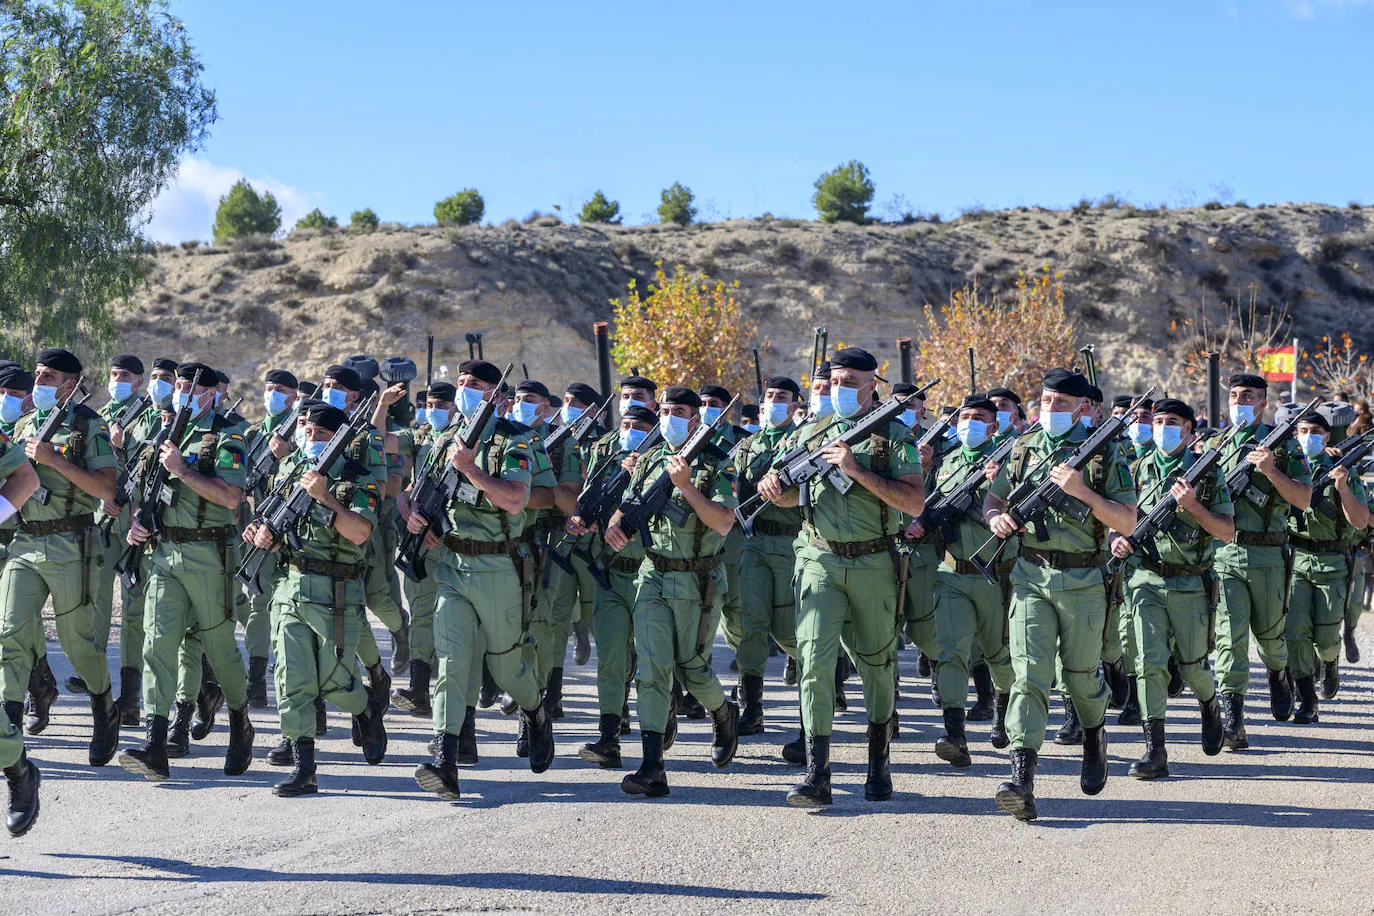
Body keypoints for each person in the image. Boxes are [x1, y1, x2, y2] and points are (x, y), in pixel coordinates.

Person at [757, 349, 925, 807]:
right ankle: (818, 773)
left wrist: (857, 469)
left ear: (875, 385)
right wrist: (775, 490)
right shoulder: (812, 433)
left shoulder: (895, 436)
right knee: (813, 661)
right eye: (834, 381)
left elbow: (913, 503)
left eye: (851, 381)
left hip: (874, 562)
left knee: (876, 662)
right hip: (820, 560)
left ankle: (878, 761)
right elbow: (795, 498)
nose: (840, 389)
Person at [984, 368, 1137, 821]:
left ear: (1083, 409)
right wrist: (996, 518)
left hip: (1085, 580)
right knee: (1029, 674)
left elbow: (1127, 521)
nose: (1050, 409)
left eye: (1061, 403)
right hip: (1031, 573)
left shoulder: (1106, 454)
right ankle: (1022, 779)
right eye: (1046, 401)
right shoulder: (1022, 448)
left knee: (1080, 676)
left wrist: (1082, 491)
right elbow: (995, 498)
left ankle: (1094, 735)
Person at [407, 359, 553, 801]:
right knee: (451, 663)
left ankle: (535, 710)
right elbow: (422, 490)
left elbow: (515, 500)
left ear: (495, 395)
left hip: (497, 568)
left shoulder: (515, 440)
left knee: (506, 664)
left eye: (474, 385)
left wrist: (471, 469)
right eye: (461, 383)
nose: (464, 390)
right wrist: (419, 520)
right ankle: (445, 760)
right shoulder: (447, 438)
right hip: (452, 567)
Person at [117, 362, 254, 781]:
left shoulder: (227, 437)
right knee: (157, 645)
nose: (180, 392)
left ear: (212, 394)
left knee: (219, 648)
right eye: (177, 385)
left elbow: (232, 497)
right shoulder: (162, 434)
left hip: (210, 556)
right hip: (164, 553)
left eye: (190, 387)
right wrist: (138, 523)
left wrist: (183, 470)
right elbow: (146, 493)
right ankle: (156, 744)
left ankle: (239, 722)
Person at [243, 402, 388, 796]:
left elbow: (359, 533)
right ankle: (305, 767)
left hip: (337, 591)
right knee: (291, 678)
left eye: (321, 435)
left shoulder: (360, 478)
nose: (311, 439)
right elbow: (274, 524)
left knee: (335, 681)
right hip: (291, 584)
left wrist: (326, 498)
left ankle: (366, 709)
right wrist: (262, 536)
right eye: (308, 432)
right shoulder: (290, 472)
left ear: (340, 440)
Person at [603, 385, 740, 798]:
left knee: (692, 667)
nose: (668, 418)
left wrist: (686, 486)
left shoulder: (717, 463)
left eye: (678, 411)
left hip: (698, 581)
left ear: (696, 418)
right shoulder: (648, 460)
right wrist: (614, 524)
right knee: (651, 668)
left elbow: (723, 523)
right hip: (653, 575)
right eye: (663, 411)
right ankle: (652, 766)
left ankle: (723, 712)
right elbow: (628, 504)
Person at [0, 348, 120, 765]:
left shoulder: (89, 426)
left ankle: (105, 708)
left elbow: (108, 491)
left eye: (49, 377)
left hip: (72, 546)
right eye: (38, 375)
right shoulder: (22, 425)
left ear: (70, 385)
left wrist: (53, 460)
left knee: (76, 645)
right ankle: (10, 729)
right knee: (10, 637)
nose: (39, 383)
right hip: (25, 544)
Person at [1109, 399, 1231, 779]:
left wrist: (1194, 507)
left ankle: (1210, 704)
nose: (1162, 427)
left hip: (1190, 581)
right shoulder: (1136, 469)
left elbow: (1227, 531)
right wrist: (1116, 538)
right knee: (1148, 663)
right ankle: (1154, 749)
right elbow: (1115, 517)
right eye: (1158, 420)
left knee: (1193, 666)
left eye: (1172, 422)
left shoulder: (1208, 475)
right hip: (1144, 577)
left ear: (1191, 430)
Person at [911, 395, 1013, 767]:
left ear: (994, 426)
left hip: (996, 577)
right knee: (951, 651)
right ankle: (954, 732)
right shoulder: (949, 461)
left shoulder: (1009, 462)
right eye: (965, 416)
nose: (969, 422)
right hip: (951, 572)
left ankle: (1001, 706)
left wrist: (1002, 485)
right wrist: (922, 470)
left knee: (998, 653)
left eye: (979, 417)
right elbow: (924, 504)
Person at [1209, 374, 1311, 749]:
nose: (1239, 401)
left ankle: (1278, 673)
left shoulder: (1283, 445)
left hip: (1268, 555)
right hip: (1225, 554)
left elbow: (1303, 499)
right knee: (1229, 640)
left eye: (1247, 396)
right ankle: (1233, 721)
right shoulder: (1214, 444)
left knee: (1270, 637)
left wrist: (1270, 470)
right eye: (1234, 395)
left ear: (1262, 402)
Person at [571, 404, 658, 768]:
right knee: (611, 658)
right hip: (613, 574)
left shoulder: (666, 468)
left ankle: (661, 719)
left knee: (653, 661)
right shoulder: (610, 465)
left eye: (639, 426)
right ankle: (609, 738)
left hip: (652, 576)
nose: (630, 431)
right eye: (625, 425)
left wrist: (642, 479)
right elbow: (596, 509)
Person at [729, 377, 804, 742]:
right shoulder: (746, 446)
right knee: (752, 623)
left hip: (791, 543)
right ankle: (752, 708)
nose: (774, 402)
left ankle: (814, 702)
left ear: (794, 406)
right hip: (755, 543)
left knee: (791, 629)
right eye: (769, 397)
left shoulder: (803, 443)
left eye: (782, 398)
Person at [1284, 404, 1368, 721]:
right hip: (1296, 561)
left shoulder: (1341, 468)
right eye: (1302, 432)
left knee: (1326, 637)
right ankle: (1308, 699)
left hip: (1332, 561)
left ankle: (1330, 661)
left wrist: (1343, 487)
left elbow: (1359, 521)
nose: (1308, 438)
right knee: (1294, 633)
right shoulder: (1288, 467)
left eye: (1316, 432)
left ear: (1326, 436)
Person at [239, 368, 299, 709]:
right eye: (269, 388)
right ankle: (257, 678)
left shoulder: (303, 432)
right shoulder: (252, 434)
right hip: (261, 527)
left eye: (279, 390)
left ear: (293, 396)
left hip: (293, 529)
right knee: (258, 604)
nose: (272, 395)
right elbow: (243, 482)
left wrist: (285, 455)